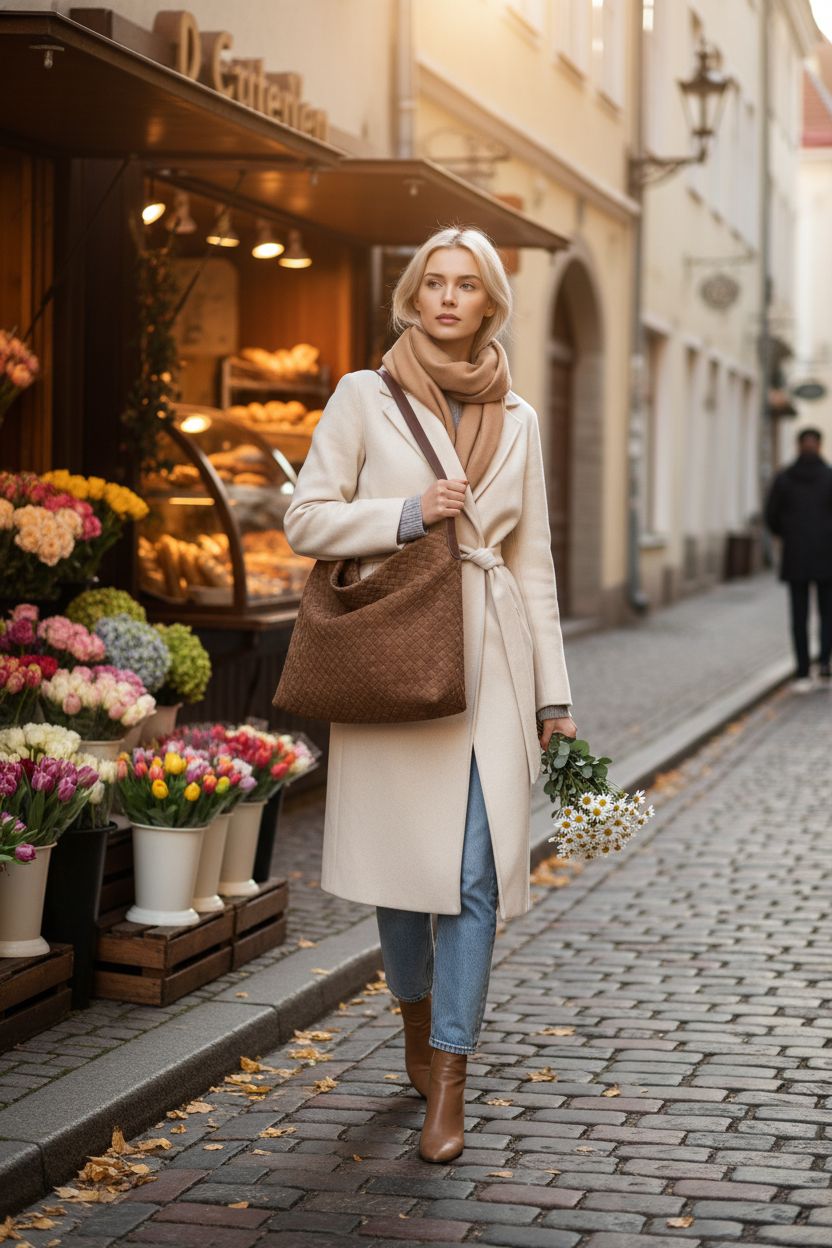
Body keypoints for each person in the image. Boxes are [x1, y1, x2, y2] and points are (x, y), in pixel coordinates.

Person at [283, 226, 575, 1163]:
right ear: (413, 298)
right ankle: (414, 1021)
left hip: (491, 665)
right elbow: (306, 518)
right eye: (433, 284)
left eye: (468, 286)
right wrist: (408, 514)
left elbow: (533, 567)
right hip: (398, 664)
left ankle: (449, 1073)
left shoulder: (520, 417)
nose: (448, 299)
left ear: (491, 303)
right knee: (405, 889)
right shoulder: (363, 398)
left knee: (474, 880)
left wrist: (552, 699)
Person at [764, 426, 832, 691]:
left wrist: (789, 535)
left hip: (796, 557)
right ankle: (824, 663)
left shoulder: (784, 479)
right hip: (827, 556)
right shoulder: (829, 477)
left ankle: (803, 670)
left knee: (799, 615)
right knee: (827, 613)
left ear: (798, 445)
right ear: (819, 445)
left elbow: (771, 517)